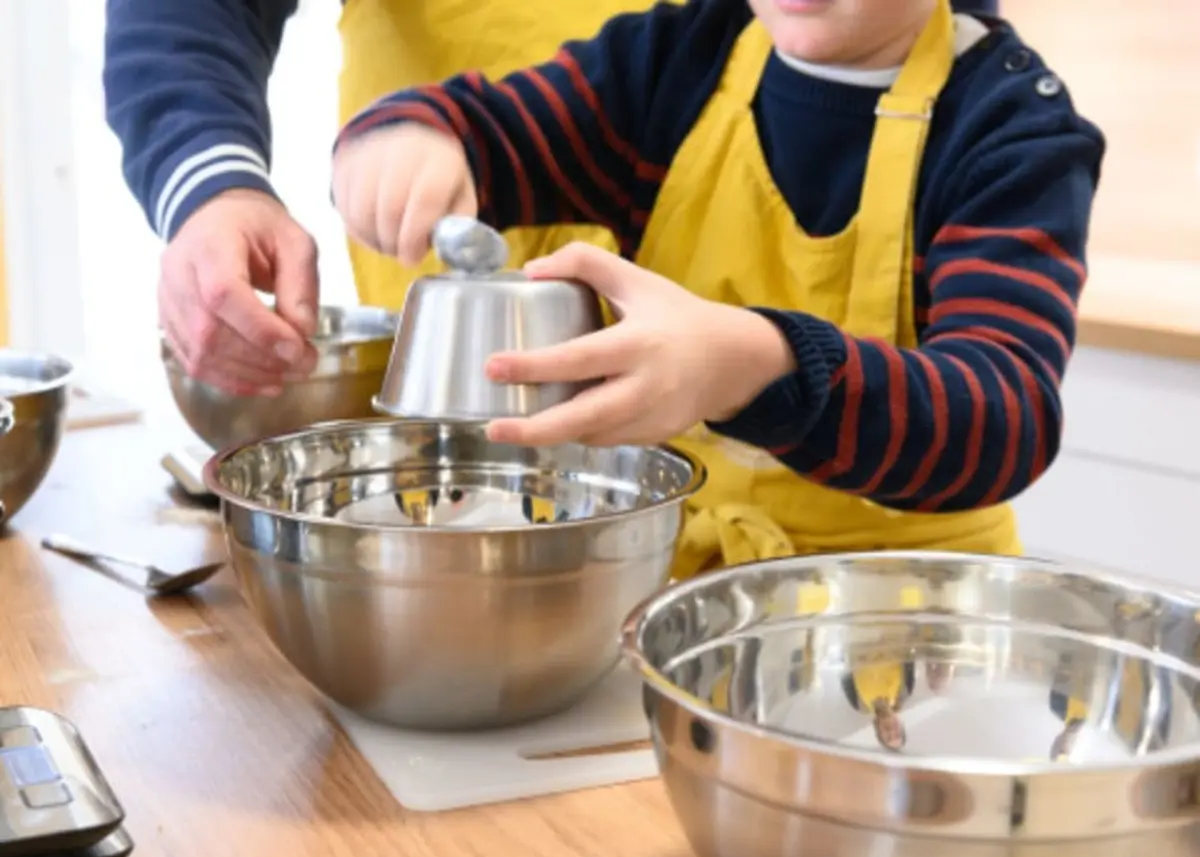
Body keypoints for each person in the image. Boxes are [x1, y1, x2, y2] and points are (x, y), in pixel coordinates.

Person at [329, 0, 1104, 577]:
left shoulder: (1012, 131)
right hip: (684, 600)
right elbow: (491, 132)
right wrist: (411, 138)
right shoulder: (676, 61)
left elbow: (1003, 418)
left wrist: (757, 366)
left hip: (909, 626)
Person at [103, 0, 1000, 398]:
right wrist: (213, 181)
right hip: (486, 403)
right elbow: (495, 123)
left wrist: (764, 364)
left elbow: (992, 404)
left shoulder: (992, 123)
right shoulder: (651, 71)